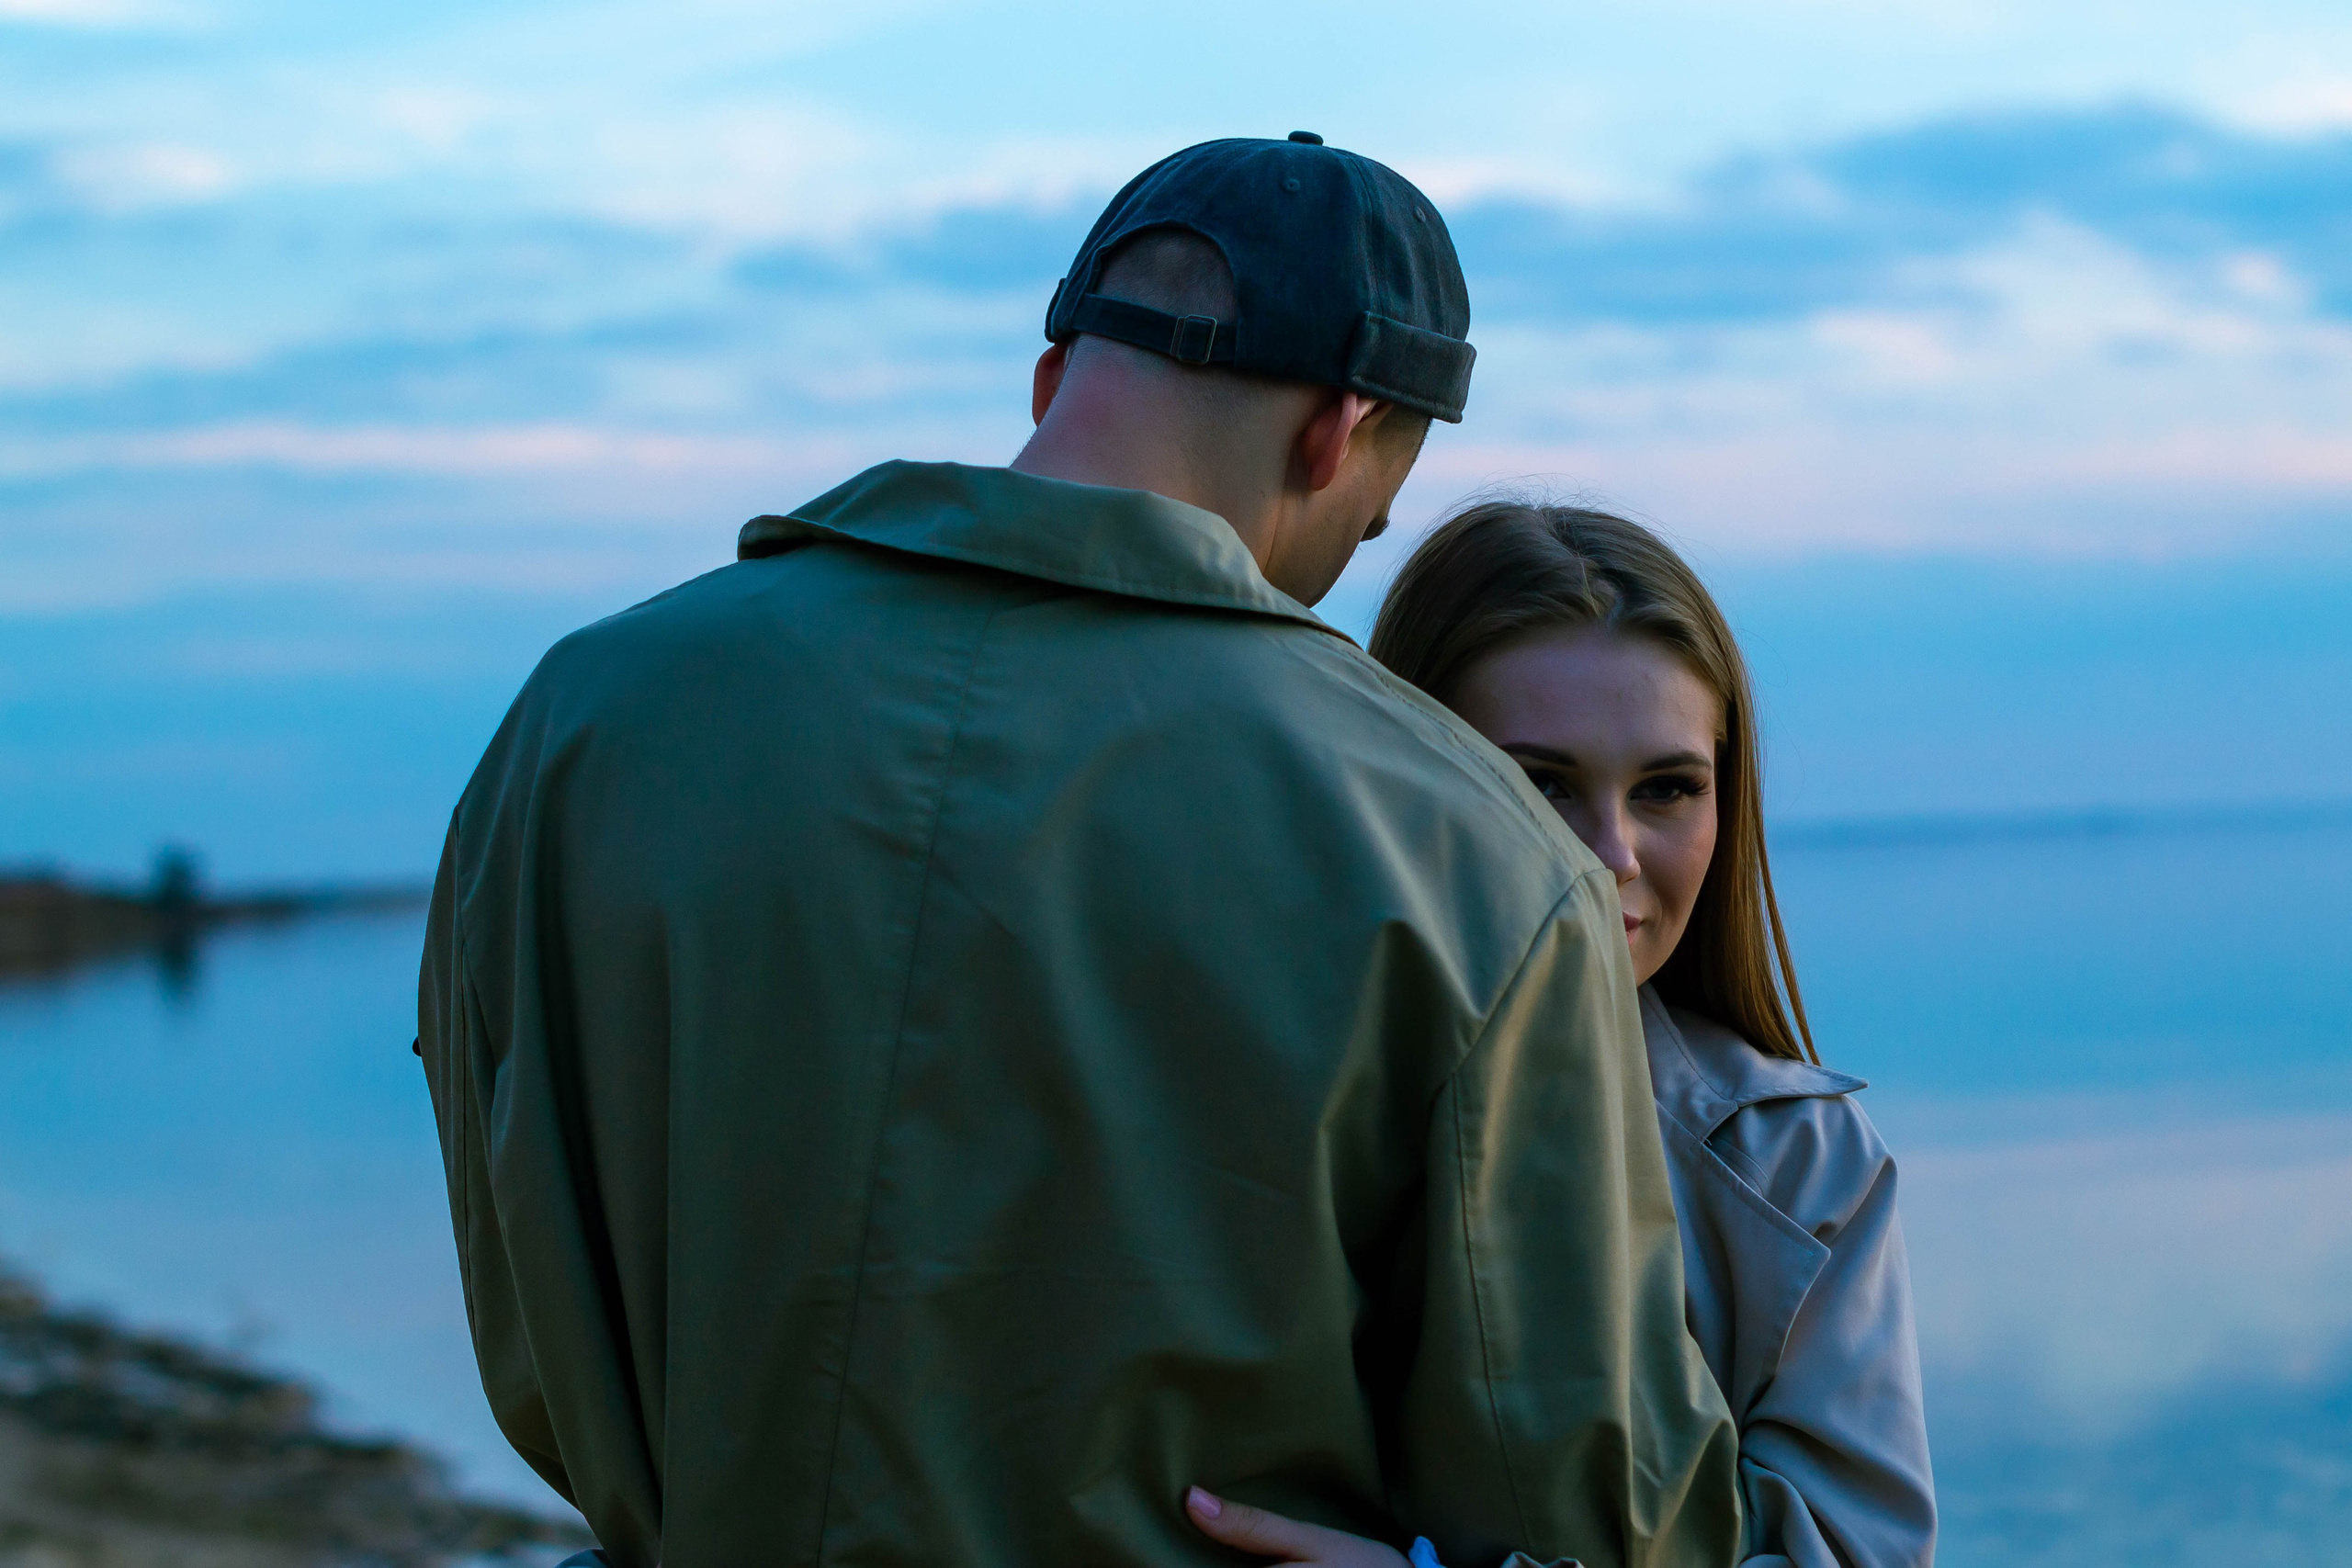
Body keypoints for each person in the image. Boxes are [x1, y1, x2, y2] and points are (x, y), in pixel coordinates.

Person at [419, 134, 1742, 1568]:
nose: (1356, 541)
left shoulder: (582, 720)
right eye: (1376, 509)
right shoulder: (1466, 844)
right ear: (1338, 429)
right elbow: (1591, 1510)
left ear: (1053, 378)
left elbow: (528, 1295)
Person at [1185, 502, 1938, 1568]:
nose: (1611, 855)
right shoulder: (1229, 1104)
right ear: (1404, 778)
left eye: (1667, 789)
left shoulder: (1799, 1168)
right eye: (1538, 783)